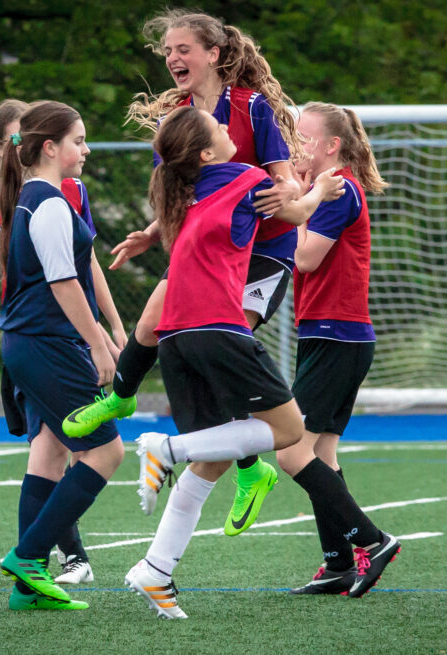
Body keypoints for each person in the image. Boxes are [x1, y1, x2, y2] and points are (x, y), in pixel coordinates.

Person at [63, 9, 304, 536]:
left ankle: (237, 466)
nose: (172, 58)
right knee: (153, 324)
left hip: (261, 252)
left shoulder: (252, 106)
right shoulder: (177, 113)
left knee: (220, 346)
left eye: (182, 49)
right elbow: (179, 193)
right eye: (167, 51)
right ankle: (126, 398)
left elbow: (284, 183)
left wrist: (292, 195)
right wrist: (153, 233)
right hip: (209, 248)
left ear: (213, 54)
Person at [123, 106, 344, 619]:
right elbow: (294, 215)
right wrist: (320, 192)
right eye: (219, 130)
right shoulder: (244, 175)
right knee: (289, 430)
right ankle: (165, 448)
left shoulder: (181, 193)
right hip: (216, 326)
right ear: (205, 152)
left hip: (174, 334)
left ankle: (156, 571)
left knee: (214, 459)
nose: (228, 130)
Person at [0, 99, 123, 589]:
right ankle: (30, 557)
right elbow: (64, 283)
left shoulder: (43, 197)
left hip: (34, 342)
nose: (86, 148)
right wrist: (97, 342)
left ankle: (30, 585)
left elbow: (78, 270)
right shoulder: (44, 203)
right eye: (78, 140)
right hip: (47, 343)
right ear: (48, 147)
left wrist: (108, 327)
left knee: (48, 453)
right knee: (106, 453)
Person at [274, 102, 400, 598]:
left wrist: (298, 206)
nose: (295, 146)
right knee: (321, 453)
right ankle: (338, 565)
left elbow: (304, 258)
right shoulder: (319, 190)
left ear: (333, 146)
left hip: (336, 335)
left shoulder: (337, 188)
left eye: (304, 138)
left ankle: (373, 540)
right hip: (333, 336)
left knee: (291, 452)